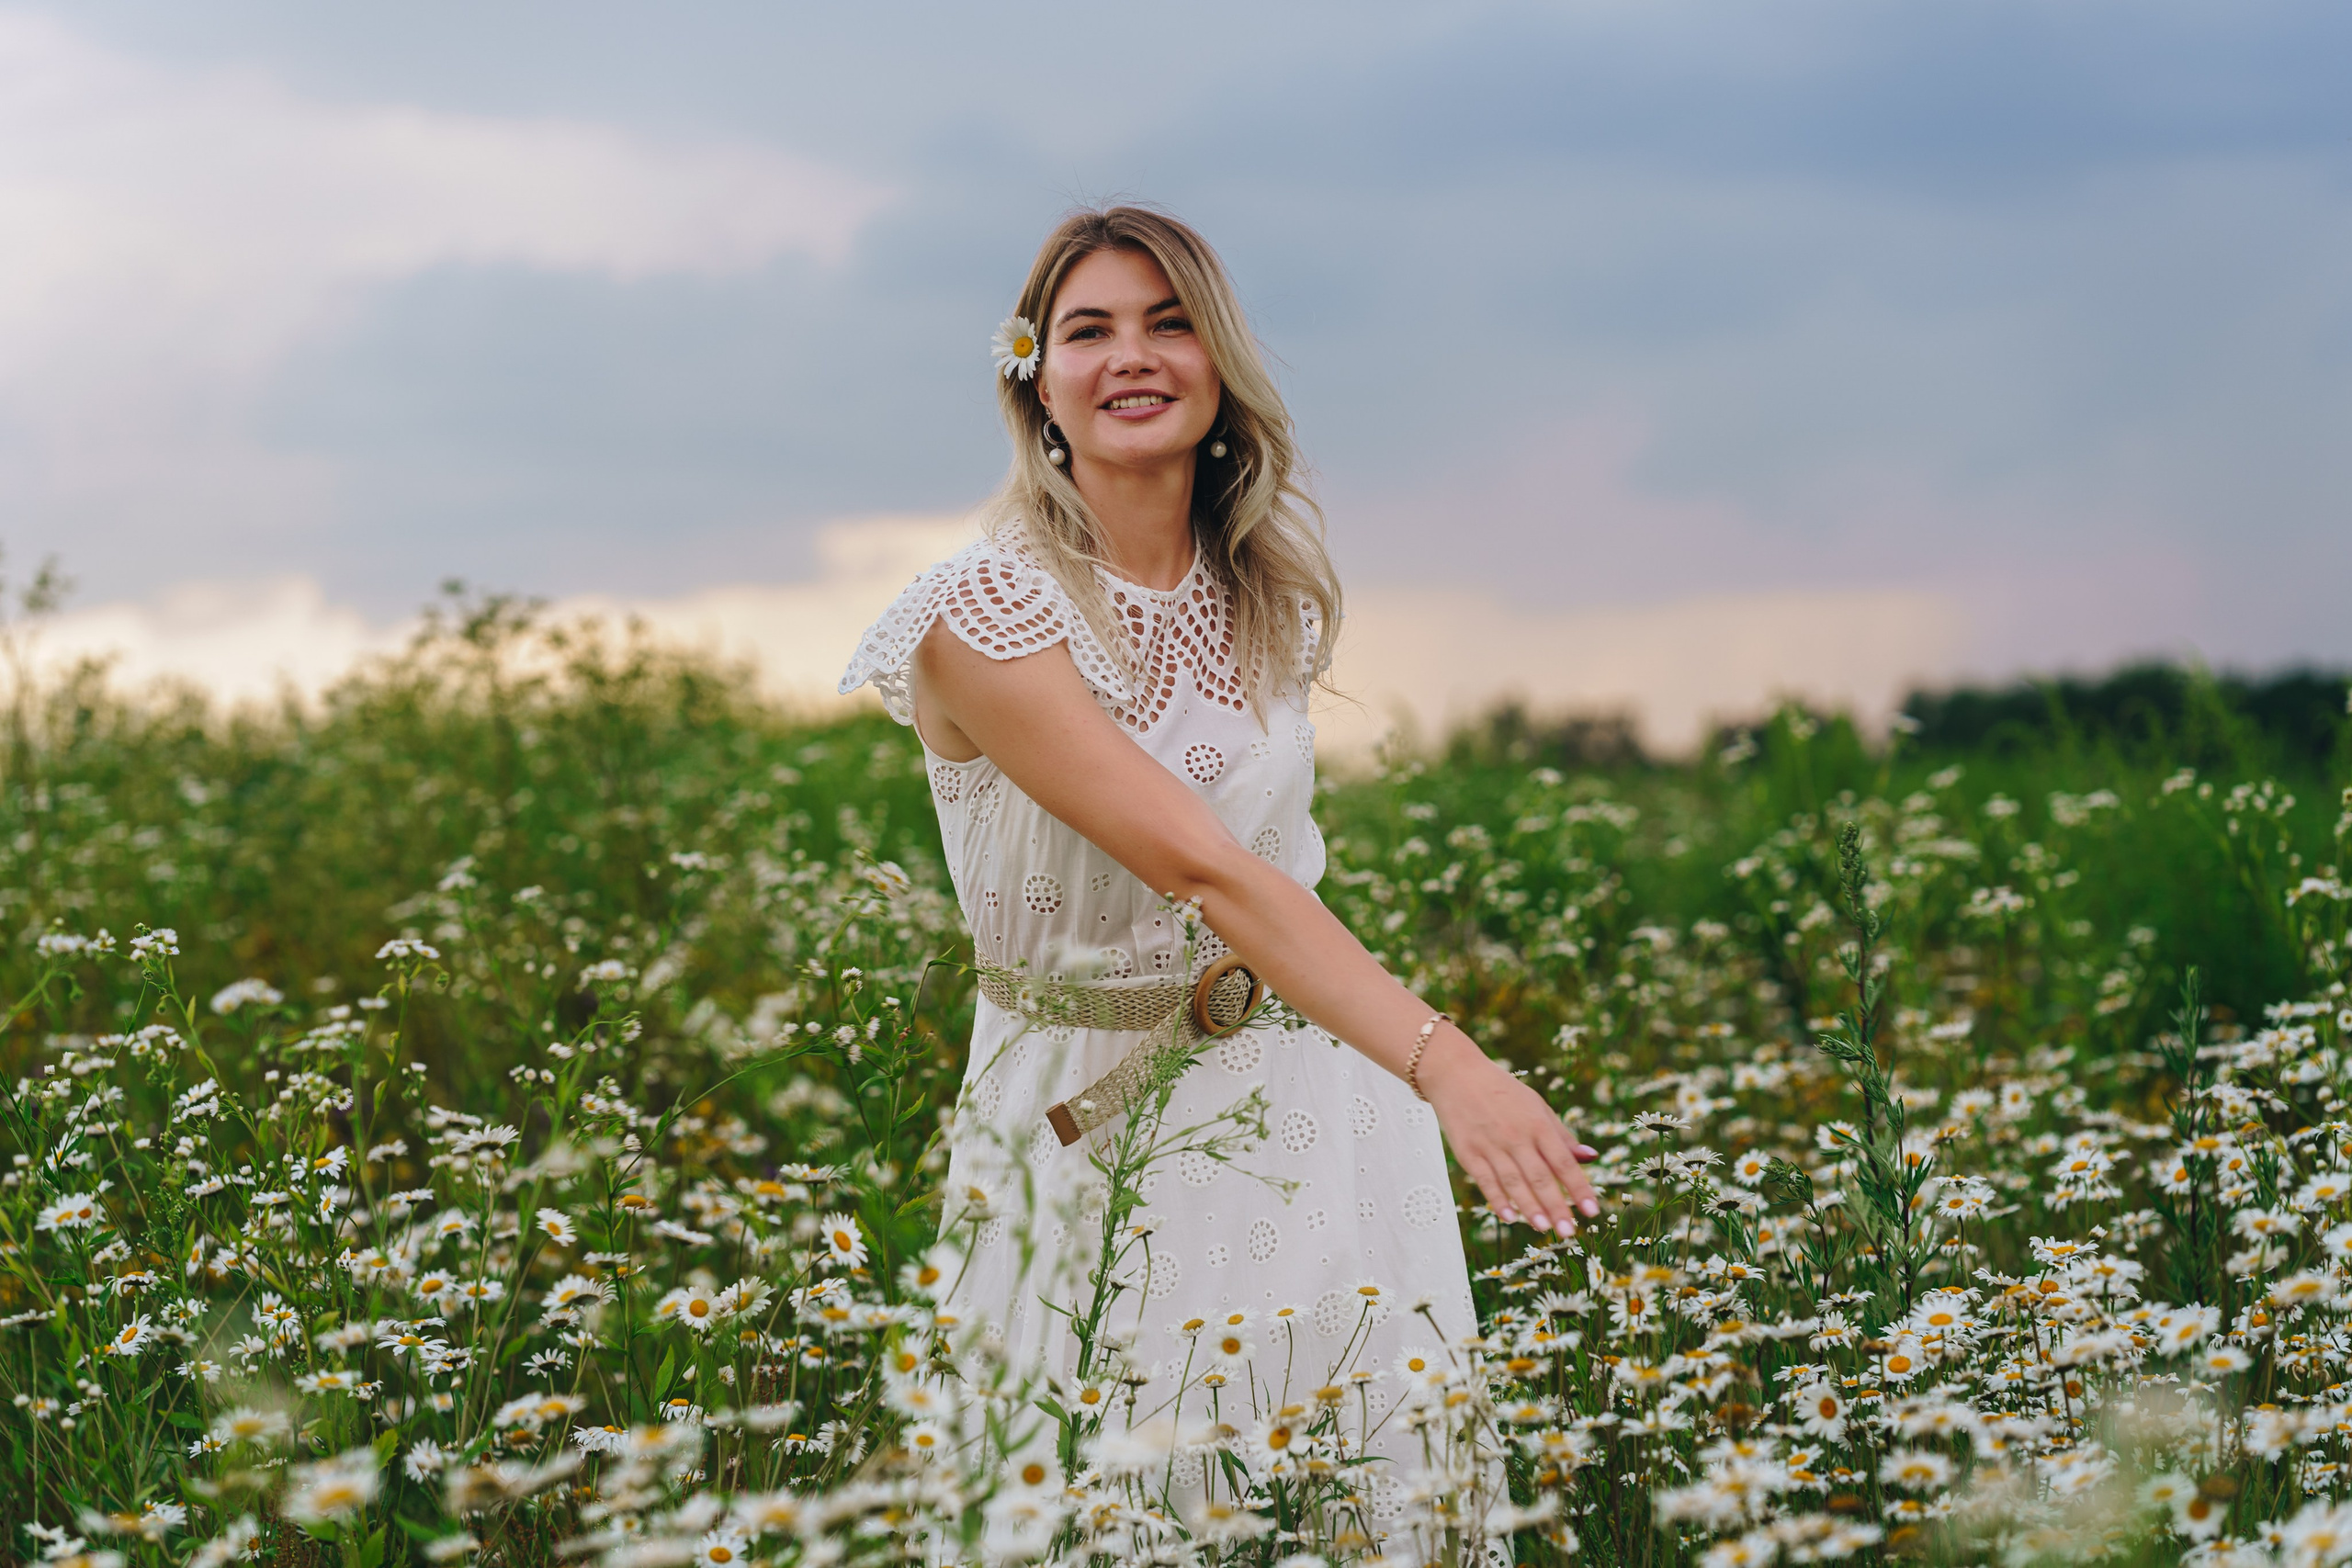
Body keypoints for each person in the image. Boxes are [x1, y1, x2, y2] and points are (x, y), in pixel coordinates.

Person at [840, 206, 1598, 1449]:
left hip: (1315, 1087)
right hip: (1082, 1114)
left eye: (1170, 324)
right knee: (1102, 1484)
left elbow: (1282, 877)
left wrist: (1397, 1079)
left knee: (1340, 1471)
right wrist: (1453, 1068)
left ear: (1220, 368)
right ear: (1035, 384)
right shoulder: (980, 612)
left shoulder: (1265, 595)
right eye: (1089, 330)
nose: (1132, 356)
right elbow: (1207, 866)